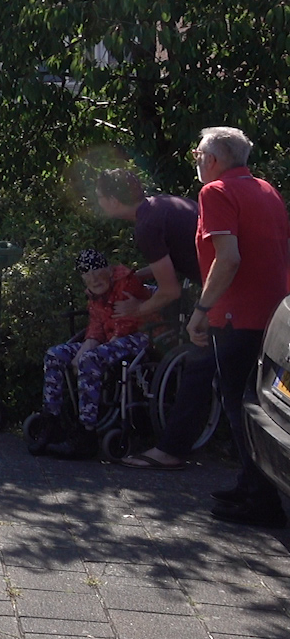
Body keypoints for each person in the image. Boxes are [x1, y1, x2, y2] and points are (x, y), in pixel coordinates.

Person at [183, 127, 288, 526]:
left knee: (237, 403)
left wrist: (202, 308)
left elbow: (228, 258)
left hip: (236, 315)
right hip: (274, 314)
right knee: (261, 404)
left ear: (213, 159)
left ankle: (261, 500)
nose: (197, 163)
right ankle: (250, 483)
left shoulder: (215, 193)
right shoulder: (266, 189)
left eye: (198, 156)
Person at [94, 169, 206, 470]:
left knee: (202, 368)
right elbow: (174, 263)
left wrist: (134, 310)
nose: (98, 203)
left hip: (227, 290)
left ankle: (172, 450)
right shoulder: (162, 205)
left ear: (114, 200)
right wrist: (135, 276)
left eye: (100, 198)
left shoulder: (146, 226)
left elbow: (168, 290)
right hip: (232, 283)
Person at [37, 249, 153, 458]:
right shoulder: (95, 294)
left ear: (108, 270)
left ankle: (86, 435)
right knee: (55, 354)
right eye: (87, 275)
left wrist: (90, 352)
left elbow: (129, 321)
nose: (93, 278)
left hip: (139, 337)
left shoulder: (127, 283)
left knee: (90, 360)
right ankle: (52, 422)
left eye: (97, 272)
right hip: (109, 339)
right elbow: (96, 325)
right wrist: (84, 347)